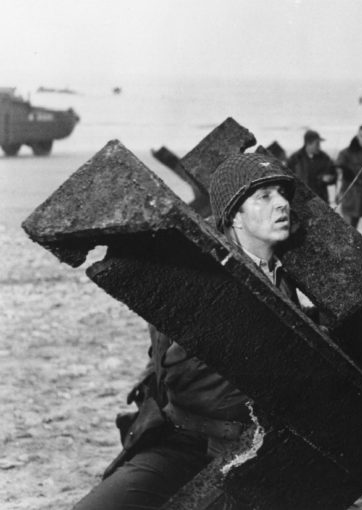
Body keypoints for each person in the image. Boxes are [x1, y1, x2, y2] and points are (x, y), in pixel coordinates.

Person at [74, 153, 299, 509]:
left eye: (282, 194)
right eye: (265, 196)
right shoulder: (199, 279)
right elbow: (180, 374)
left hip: (249, 449)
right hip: (183, 438)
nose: (282, 203)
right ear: (234, 216)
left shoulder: (285, 276)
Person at [287, 129, 337, 203]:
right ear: (308, 143)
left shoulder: (325, 158)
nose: (319, 147)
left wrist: (329, 179)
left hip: (320, 201)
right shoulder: (295, 159)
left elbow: (333, 176)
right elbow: (287, 179)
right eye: (317, 144)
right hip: (301, 202)